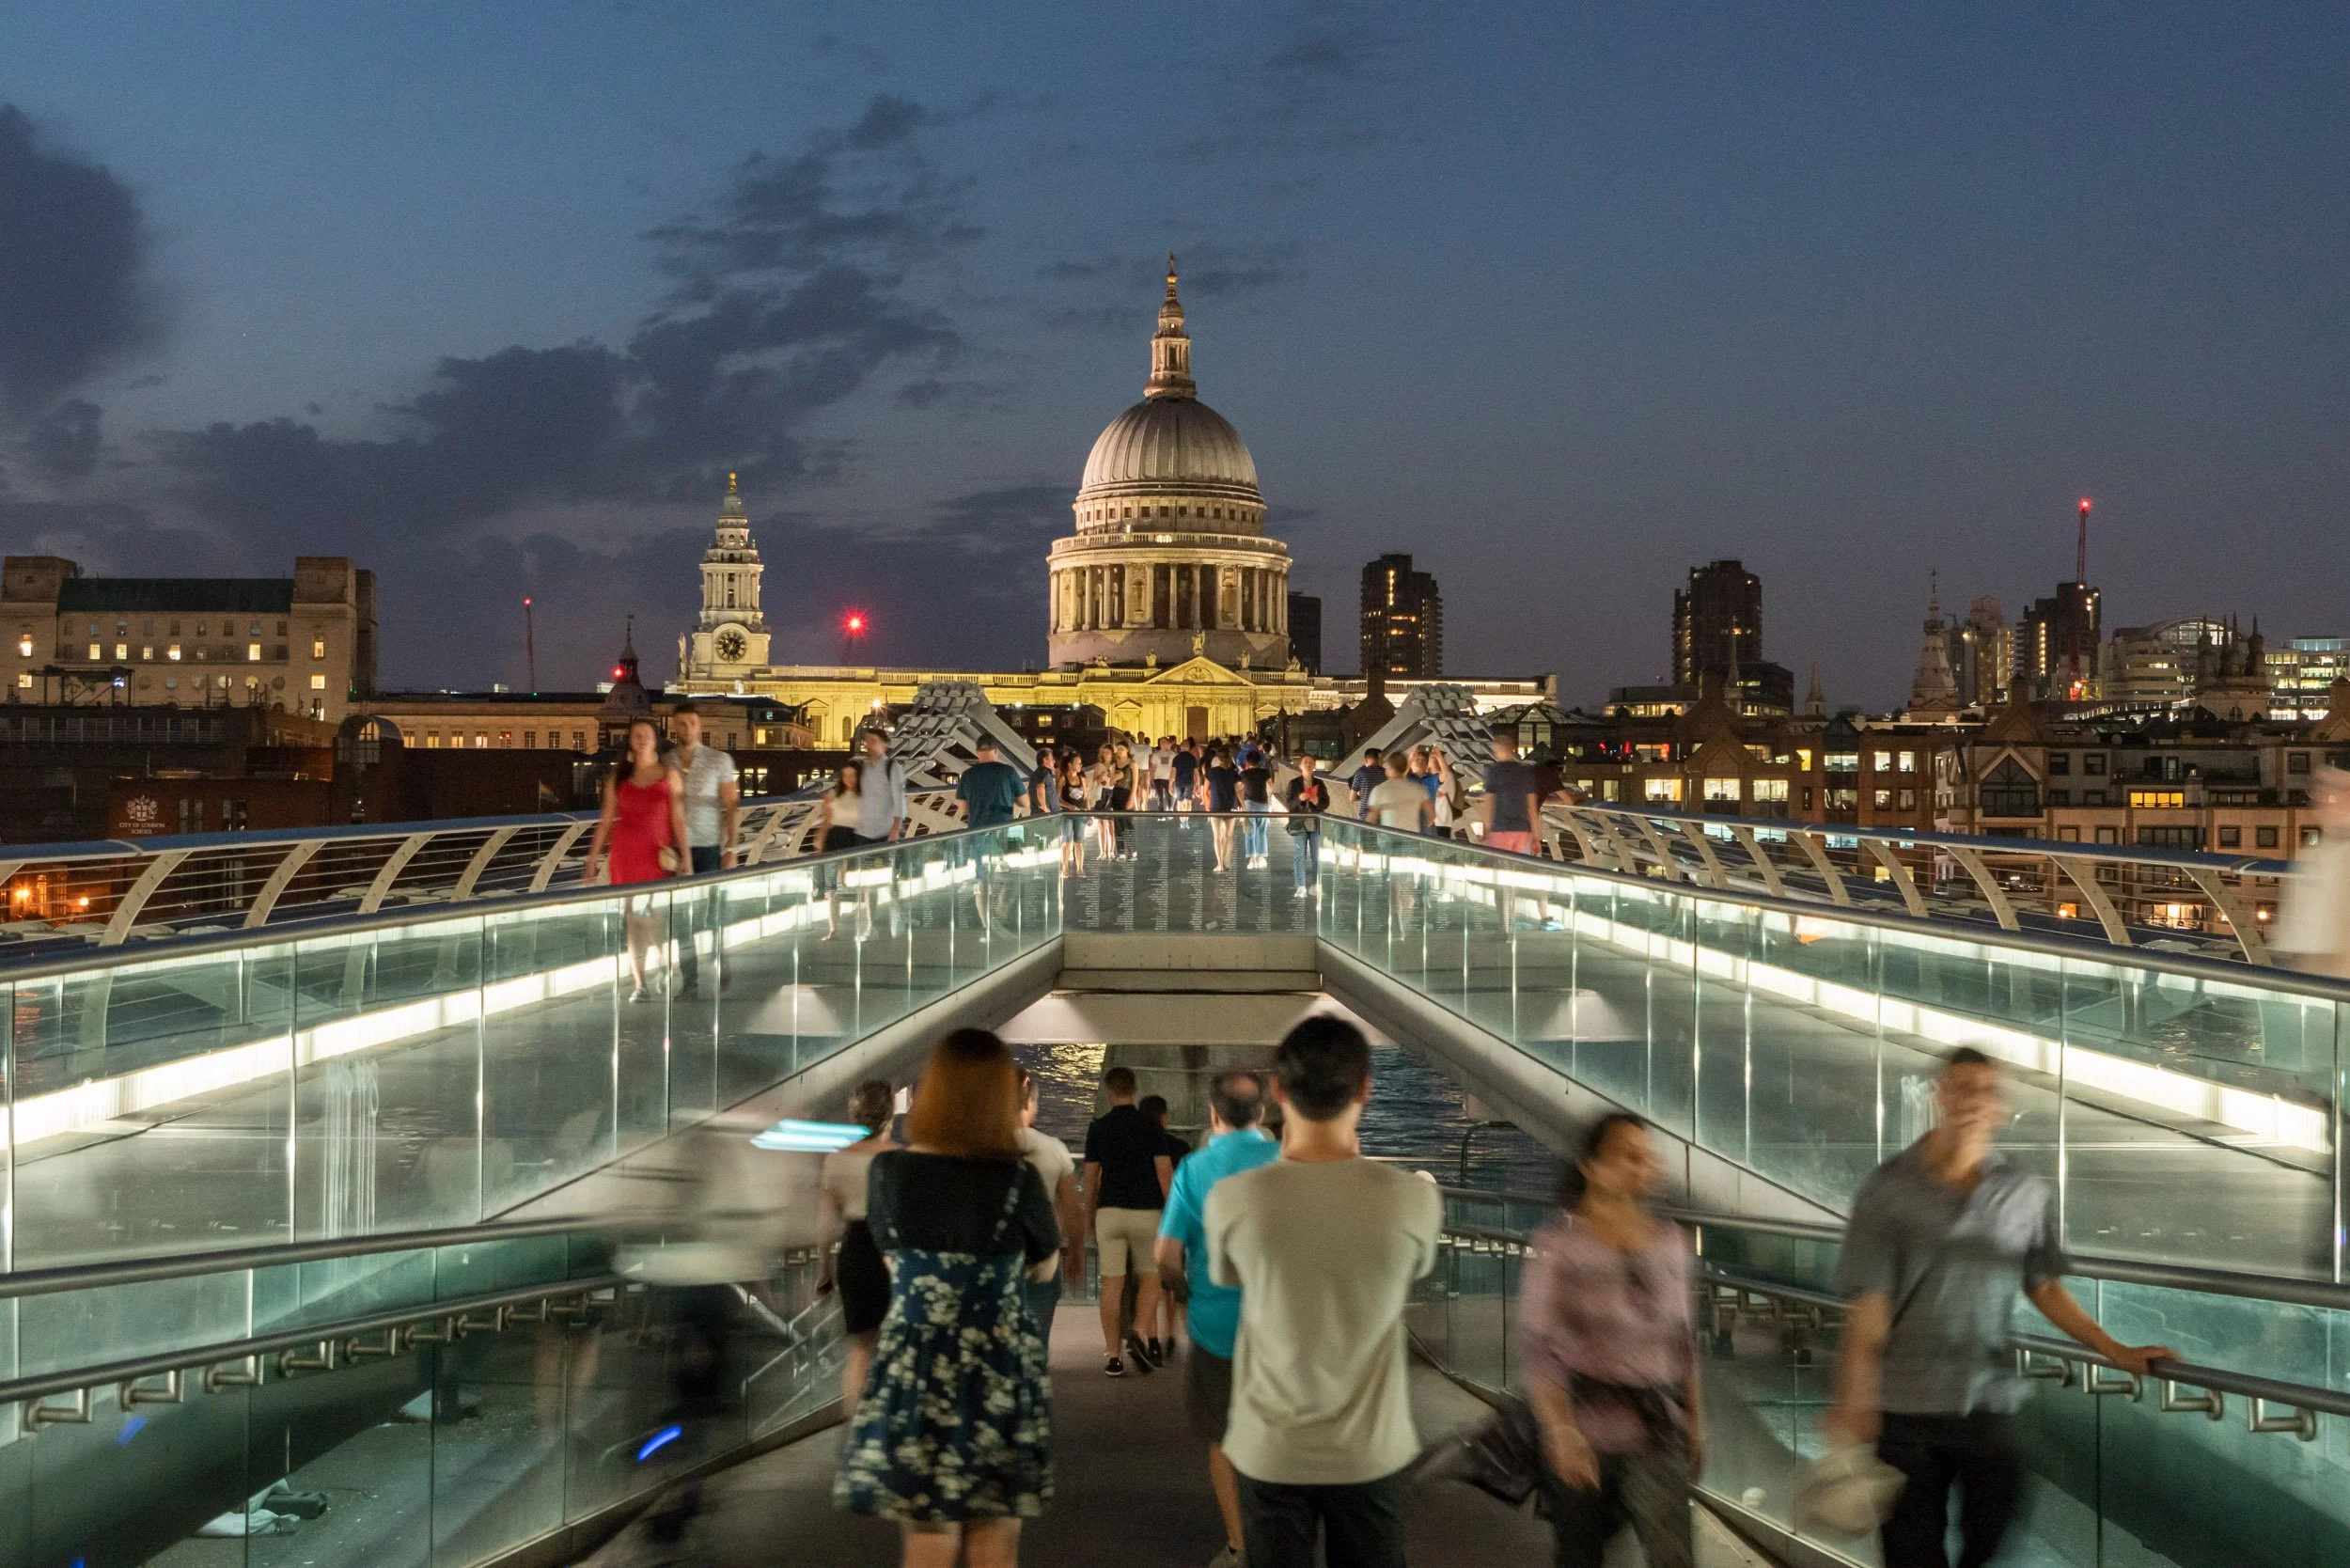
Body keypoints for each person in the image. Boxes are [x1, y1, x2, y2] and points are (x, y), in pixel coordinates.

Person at [1825, 1048, 2175, 1568]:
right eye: (1961, 1088)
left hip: (1989, 1401)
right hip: (1906, 1408)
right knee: (1910, 1555)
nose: (1973, 1100)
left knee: (1990, 1536)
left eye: (1986, 1091)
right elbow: (1870, 1306)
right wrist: (1852, 1398)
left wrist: (2114, 1350)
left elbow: (2044, 1285)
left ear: (2002, 1108)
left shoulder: (2024, 1191)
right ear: (1940, 1096)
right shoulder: (1887, 1189)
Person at [1206, 1017, 1441, 1568]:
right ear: (1365, 1088)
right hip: (1370, 1451)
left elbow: (1227, 1275)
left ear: (1279, 1091)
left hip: (1270, 1447)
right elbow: (1415, 1268)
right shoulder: (1412, 1201)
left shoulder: (1233, 1199)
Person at [835, 1029, 1059, 1567]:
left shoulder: (889, 1172)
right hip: (997, 1364)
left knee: (928, 1534)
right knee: (994, 1534)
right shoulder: (1019, 1179)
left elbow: (893, 1258)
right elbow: (1044, 1263)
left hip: (918, 1365)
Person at [1520, 1112, 1701, 1568]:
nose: (1643, 1166)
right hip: (1585, 1434)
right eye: (1628, 1155)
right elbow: (1539, 1350)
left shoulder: (1672, 1243)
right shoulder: (1561, 1246)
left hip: (1658, 1431)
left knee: (1674, 1556)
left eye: (1647, 1158)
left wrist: (1697, 1418)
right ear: (1592, 1167)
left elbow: (1682, 1344)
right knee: (1580, 1555)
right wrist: (1559, 1429)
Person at [1154, 1072, 1280, 1568]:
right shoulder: (1288, 1163)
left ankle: (1239, 1546)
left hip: (1215, 1328)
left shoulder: (1194, 1168)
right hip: (1283, 1330)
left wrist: (1184, 1294)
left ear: (1212, 1114)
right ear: (1262, 1115)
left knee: (1225, 1440)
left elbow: (1165, 1256)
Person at [582, 715, 688, 1002]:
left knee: (652, 917)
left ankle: (664, 964)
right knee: (633, 920)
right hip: (625, 855)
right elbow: (604, 822)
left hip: (656, 856)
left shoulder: (669, 775)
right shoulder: (618, 778)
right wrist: (591, 859)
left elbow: (678, 821)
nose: (641, 739)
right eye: (637, 735)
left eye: (647, 735)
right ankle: (639, 984)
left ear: (656, 740)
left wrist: (685, 858)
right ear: (630, 740)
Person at [1083, 1064, 1173, 1376]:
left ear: (1109, 1091)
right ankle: (1137, 1330)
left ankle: (1113, 1356)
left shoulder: (1099, 1128)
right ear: (1134, 1090)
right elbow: (1164, 1174)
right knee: (1151, 1278)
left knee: (1112, 1284)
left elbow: (1091, 1177)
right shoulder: (1152, 1128)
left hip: (1110, 1212)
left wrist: (1089, 1216)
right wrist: (1172, 1212)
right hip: (1147, 1213)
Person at [818, 1079, 900, 1415]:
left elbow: (825, 1226)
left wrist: (825, 1271)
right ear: (890, 1115)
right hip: (891, 1252)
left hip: (854, 1251)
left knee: (861, 1348)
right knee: (894, 1344)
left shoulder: (835, 1162)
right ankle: (889, 1425)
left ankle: (855, 1430)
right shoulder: (898, 1160)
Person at [668, 702, 740, 999]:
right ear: (674, 727)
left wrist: (732, 847)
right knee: (681, 919)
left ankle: (720, 957)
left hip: (710, 846)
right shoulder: (666, 761)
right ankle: (690, 981)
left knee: (714, 912)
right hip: (675, 849)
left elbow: (732, 804)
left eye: (692, 723)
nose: (687, 729)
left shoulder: (719, 760)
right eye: (681, 724)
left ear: (700, 726)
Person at [1016, 1070, 1086, 1357]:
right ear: (1028, 1104)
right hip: (1043, 1257)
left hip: (995, 1256)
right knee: (1037, 1340)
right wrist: (1077, 1252)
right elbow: (1071, 1208)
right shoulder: (1053, 1149)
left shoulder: (981, 1148)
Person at [812, 760, 865, 940]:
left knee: (859, 885)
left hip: (857, 840)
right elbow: (826, 820)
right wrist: (820, 840)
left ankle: (863, 928)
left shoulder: (867, 797)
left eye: (853, 776)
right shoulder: (832, 795)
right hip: (834, 840)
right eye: (845, 776)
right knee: (832, 887)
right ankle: (833, 929)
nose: (849, 779)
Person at [1480, 729, 1543, 856]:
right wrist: (1536, 836)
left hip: (1499, 830)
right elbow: (1532, 807)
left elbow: (1488, 803)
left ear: (1496, 750)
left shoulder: (1493, 772)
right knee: (1520, 871)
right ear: (1513, 749)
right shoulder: (1526, 772)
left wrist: (1487, 830)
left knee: (1500, 871)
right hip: (1522, 831)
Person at [1285, 754, 1330, 898]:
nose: (1309, 764)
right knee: (1300, 855)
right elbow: (1289, 804)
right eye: (1306, 762)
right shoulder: (1294, 783)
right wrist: (1299, 799)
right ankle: (1300, 886)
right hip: (1299, 823)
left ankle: (1317, 885)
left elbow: (1326, 802)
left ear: (1314, 765)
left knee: (1316, 856)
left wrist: (1317, 801)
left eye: (1311, 762)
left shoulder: (1320, 783)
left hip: (1315, 823)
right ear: (1300, 766)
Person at [857, 728, 909, 845]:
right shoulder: (862, 767)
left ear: (883, 744)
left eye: (873, 741)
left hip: (885, 832)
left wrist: (895, 830)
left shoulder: (892, 767)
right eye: (866, 741)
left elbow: (900, 800)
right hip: (862, 832)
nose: (868, 744)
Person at [1367, 751, 1432, 833]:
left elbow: (1371, 819)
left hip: (1389, 838)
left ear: (1390, 767)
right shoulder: (1418, 788)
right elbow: (1432, 815)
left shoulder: (1379, 790)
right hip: (1411, 839)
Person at [1202, 745, 1242, 872]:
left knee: (1217, 836)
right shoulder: (1233, 772)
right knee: (1228, 836)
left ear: (1218, 759)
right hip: (1230, 805)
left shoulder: (1212, 772)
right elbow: (1238, 790)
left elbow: (1205, 790)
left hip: (1216, 804)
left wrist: (1207, 807)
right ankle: (1226, 861)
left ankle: (1219, 863)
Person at [1239, 746, 1276, 868]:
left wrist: (1241, 802)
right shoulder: (1265, 772)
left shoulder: (1243, 774)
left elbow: (1238, 788)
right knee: (1262, 830)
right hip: (1263, 803)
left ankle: (1252, 859)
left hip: (1249, 803)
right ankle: (1261, 857)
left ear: (1247, 762)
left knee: (1250, 831)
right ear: (1259, 761)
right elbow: (1272, 786)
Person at [1058, 749, 1089, 878]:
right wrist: (1069, 806)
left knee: (1079, 841)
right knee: (1066, 841)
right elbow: (1058, 799)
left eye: (1081, 763)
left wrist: (1088, 811)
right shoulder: (1063, 779)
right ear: (1070, 765)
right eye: (1078, 763)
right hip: (1067, 814)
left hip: (1080, 813)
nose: (1080, 765)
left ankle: (1080, 868)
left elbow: (1086, 797)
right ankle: (1065, 868)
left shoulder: (1082, 779)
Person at [1090, 743, 1122, 861]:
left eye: (1108, 752)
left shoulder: (1116, 765)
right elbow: (1094, 781)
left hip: (1112, 793)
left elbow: (1120, 779)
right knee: (1101, 825)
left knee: (1111, 824)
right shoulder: (1098, 766)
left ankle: (1111, 851)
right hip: (1101, 793)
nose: (1105, 754)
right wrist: (1101, 777)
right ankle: (1102, 851)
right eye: (1103, 752)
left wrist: (1114, 777)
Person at [1346, 747, 1387, 820]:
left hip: (1365, 816)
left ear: (1365, 759)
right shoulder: (1386, 773)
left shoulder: (1360, 772)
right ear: (1378, 759)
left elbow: (1352, 798)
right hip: (1383, 817)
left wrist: (1364, 796)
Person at [1172, 738, 1200, 816]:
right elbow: (1196, 772)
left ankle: (1181, 818)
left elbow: (1173, 772)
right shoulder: (1192, 758)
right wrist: (1198, 783)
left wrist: (1170, 783)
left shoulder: (1176, 758)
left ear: (1180, 747)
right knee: (1188, 801)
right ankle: (1186, 818)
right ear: (1188, 748)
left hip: (1178, 782)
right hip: (1189, 782)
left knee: (1180, 801)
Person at [1152, 735, 1178, 810]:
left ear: (1168, 743)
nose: (1163, 744)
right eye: (1161, 742)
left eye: (1165, 742)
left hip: (1169, 778)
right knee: (1160, 796)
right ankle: (1161, 812)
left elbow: (1175, 767)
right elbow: (1153, 767)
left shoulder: (1172, 754)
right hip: (1158, 777)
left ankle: (1170, 809)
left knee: (1169, 795)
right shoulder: (1156, 755)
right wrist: (1151, 777)